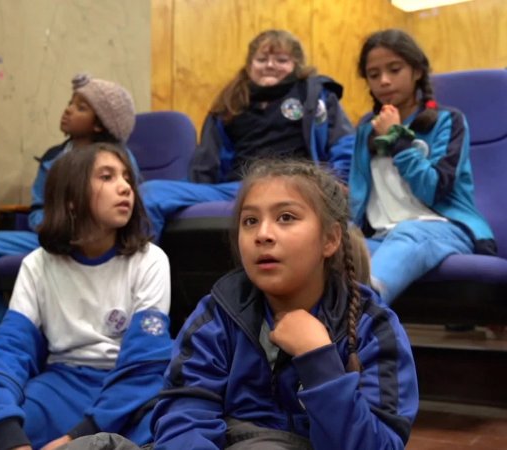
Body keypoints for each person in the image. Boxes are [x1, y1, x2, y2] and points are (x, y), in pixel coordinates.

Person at [58, 158, 419, 450]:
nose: (263, 234)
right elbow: (184, 412)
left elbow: (378, 444)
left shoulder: (373, 328)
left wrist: (319, 361)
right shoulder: (217, 314)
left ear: (330, 239)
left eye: (286, 217)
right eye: (250, 221)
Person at [0, 143, 172, 450]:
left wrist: (75, 438)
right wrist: (7, 433)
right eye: (107, 177)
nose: (125, 187)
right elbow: (9, 350)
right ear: (71, 198)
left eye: (127, 178)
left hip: (130, 399)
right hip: (60, 387)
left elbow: (144, 365)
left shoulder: (149, 260)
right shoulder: (38, 265)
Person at [0, 74, 139, 349]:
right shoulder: (52, 157)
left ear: (98, 123)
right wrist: (57, 223)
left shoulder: (119, 160)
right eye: (70, 103)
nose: (68, 110)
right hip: (52, 232)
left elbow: (128, 208)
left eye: (81, 107)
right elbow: (37, 208)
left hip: (100, 237)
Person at [140, 29, 355, 240]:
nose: (270, 65)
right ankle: (142, 263)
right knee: (150, 193)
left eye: (281, 60)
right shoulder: (230, 102)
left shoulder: (314, 95)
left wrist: (335, 183)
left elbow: (344, 143)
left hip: (296, 184)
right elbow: (205, 164)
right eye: (261, 59)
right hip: (237, 188)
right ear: (249, 65)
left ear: (296, 66)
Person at [349, 28, 496, 304]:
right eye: (374, 74)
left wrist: (397, 139)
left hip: (444, 228)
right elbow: (357, 196)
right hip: (382, 235)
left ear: (416, 71)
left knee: (409, 233)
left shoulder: (448, 121)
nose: (384, 81)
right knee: (335, 243)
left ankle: (364, 308)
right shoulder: (366, 129)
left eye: (394, 70)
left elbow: (433, 189)